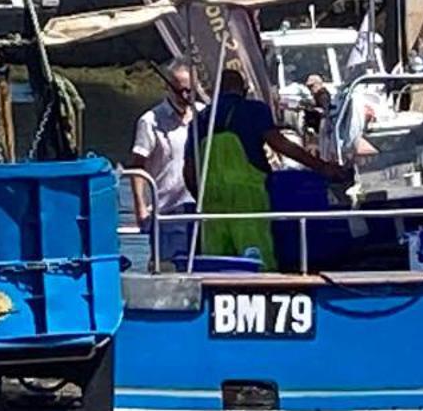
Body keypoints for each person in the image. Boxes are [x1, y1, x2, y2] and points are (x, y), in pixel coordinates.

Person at [186, 67, 344, 268]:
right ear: (243, 89)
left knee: (216, 262)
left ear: (215, 91)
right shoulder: (254, 110)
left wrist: (202, 197)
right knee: (257, 259)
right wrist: (320, 166)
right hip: (249, 201)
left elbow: (189, 171)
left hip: (211, 204)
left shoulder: (198, 120)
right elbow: (281, 144)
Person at [131, 65, 198, 264]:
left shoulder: (203, 115)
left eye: (190, 90)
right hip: (166, 210)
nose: (185, 96)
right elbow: (137, 168)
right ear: (167, 87)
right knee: (168, 267)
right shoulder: (150, 121)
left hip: (199, 207)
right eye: (180, 90)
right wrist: (141, 209)